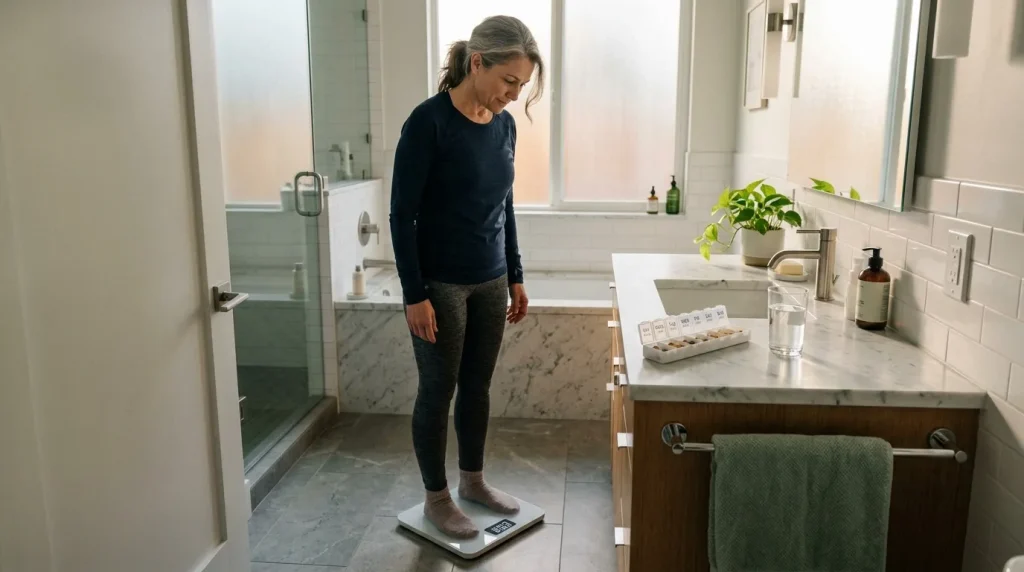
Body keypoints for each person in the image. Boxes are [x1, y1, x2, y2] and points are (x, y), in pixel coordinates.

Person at [388, 15, 544, 539]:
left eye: (522, 85)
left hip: (491, 278)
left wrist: (515, 273)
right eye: (509, 81)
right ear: (477, 63)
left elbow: (505, 205)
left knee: (477, 387)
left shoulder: (504, 126)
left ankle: (473, 483)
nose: (514, 94)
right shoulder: (428, 123)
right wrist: (414, 294)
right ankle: (437, 498)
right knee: (438, 390)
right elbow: (402, 216)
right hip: (441, 284)